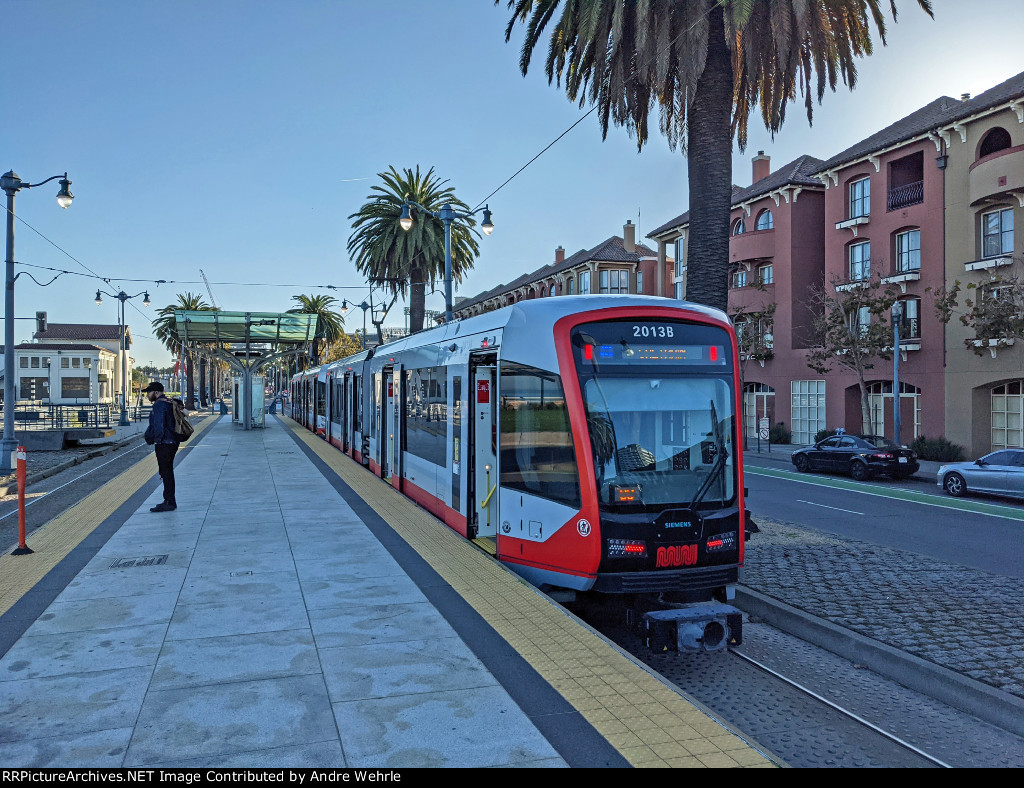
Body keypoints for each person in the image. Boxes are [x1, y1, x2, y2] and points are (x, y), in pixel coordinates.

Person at [142, 381, 180, 512]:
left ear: (156, 392)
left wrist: (154, 440)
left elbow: (158, 426)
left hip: (165, 443)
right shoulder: (169, 402)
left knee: (166, 472)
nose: (147, 395)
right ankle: (169, 500)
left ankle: (169, 501)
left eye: (149, 392)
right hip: (172, 441)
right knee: (167, 471)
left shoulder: (159, 405)